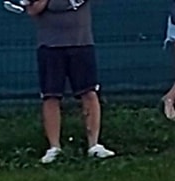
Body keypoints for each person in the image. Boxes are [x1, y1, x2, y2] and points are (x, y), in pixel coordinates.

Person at [21, 0, 115, 162]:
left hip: (81, 43)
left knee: (89, 93)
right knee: (50, 95)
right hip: (49, 46)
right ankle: (54, 148)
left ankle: (94, 145)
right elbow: (33, 10)